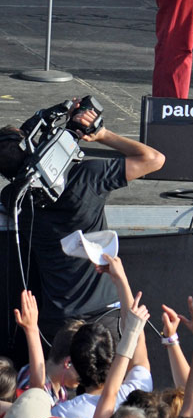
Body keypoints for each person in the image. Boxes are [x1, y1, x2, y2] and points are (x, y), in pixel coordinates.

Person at [0, 102, 164, 340]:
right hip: (104, 316)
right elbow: (154, 159)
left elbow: (19, 163)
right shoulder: (87, 177)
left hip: (58, 322)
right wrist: (101, 134)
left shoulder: (13, 198)